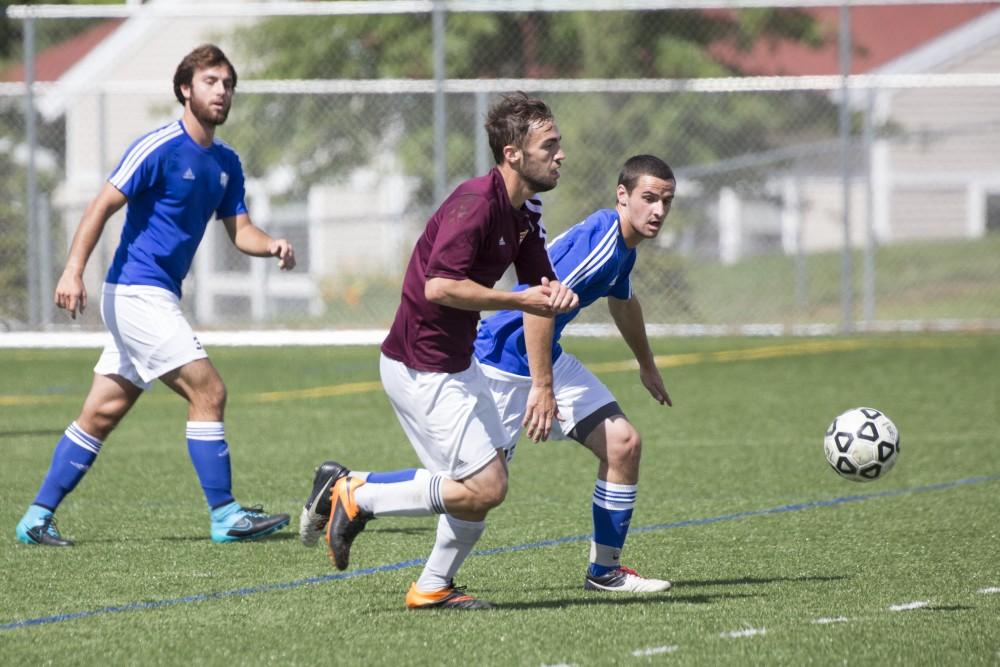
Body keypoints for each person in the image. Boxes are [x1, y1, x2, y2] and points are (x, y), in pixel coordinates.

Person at [299, 92, 578, 610]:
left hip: (456, 361)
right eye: (550, 145)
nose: (561, 154)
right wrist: (518, 298)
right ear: (513, 153)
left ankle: (431, 586)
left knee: (487, 480)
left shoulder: (524, 211)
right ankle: (356, 494)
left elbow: (541, 288)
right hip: (419, 366)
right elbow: (440, 287)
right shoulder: (475, 204)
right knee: (484, 486)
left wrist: (553, 297)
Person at [15, 44, 294, 547]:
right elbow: (101, 204)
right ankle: (225, 514)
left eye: (228, 84)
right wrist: (73, 271)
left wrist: (270, 243)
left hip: (155, 296)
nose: (222, 92)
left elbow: (242, 230)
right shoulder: (158, 147)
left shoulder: (226, 162)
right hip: (135, 293)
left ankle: (35, 518)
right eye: (211, 82)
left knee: (100, 414)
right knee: (208, 392)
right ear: (185, 89)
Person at [474, 154, 676, 593]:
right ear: (622, 196)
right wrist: (542, 390)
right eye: (649, 198)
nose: (658, 210)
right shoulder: (602, 241)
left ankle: (604, 571)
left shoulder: (621, 247)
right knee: (473, 490)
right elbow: (538, 304)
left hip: (544, 355)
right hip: (503, 362)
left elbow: (623, 300)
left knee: (623, 444)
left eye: (666, 201)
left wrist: (647, 365)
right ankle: (356, 492)